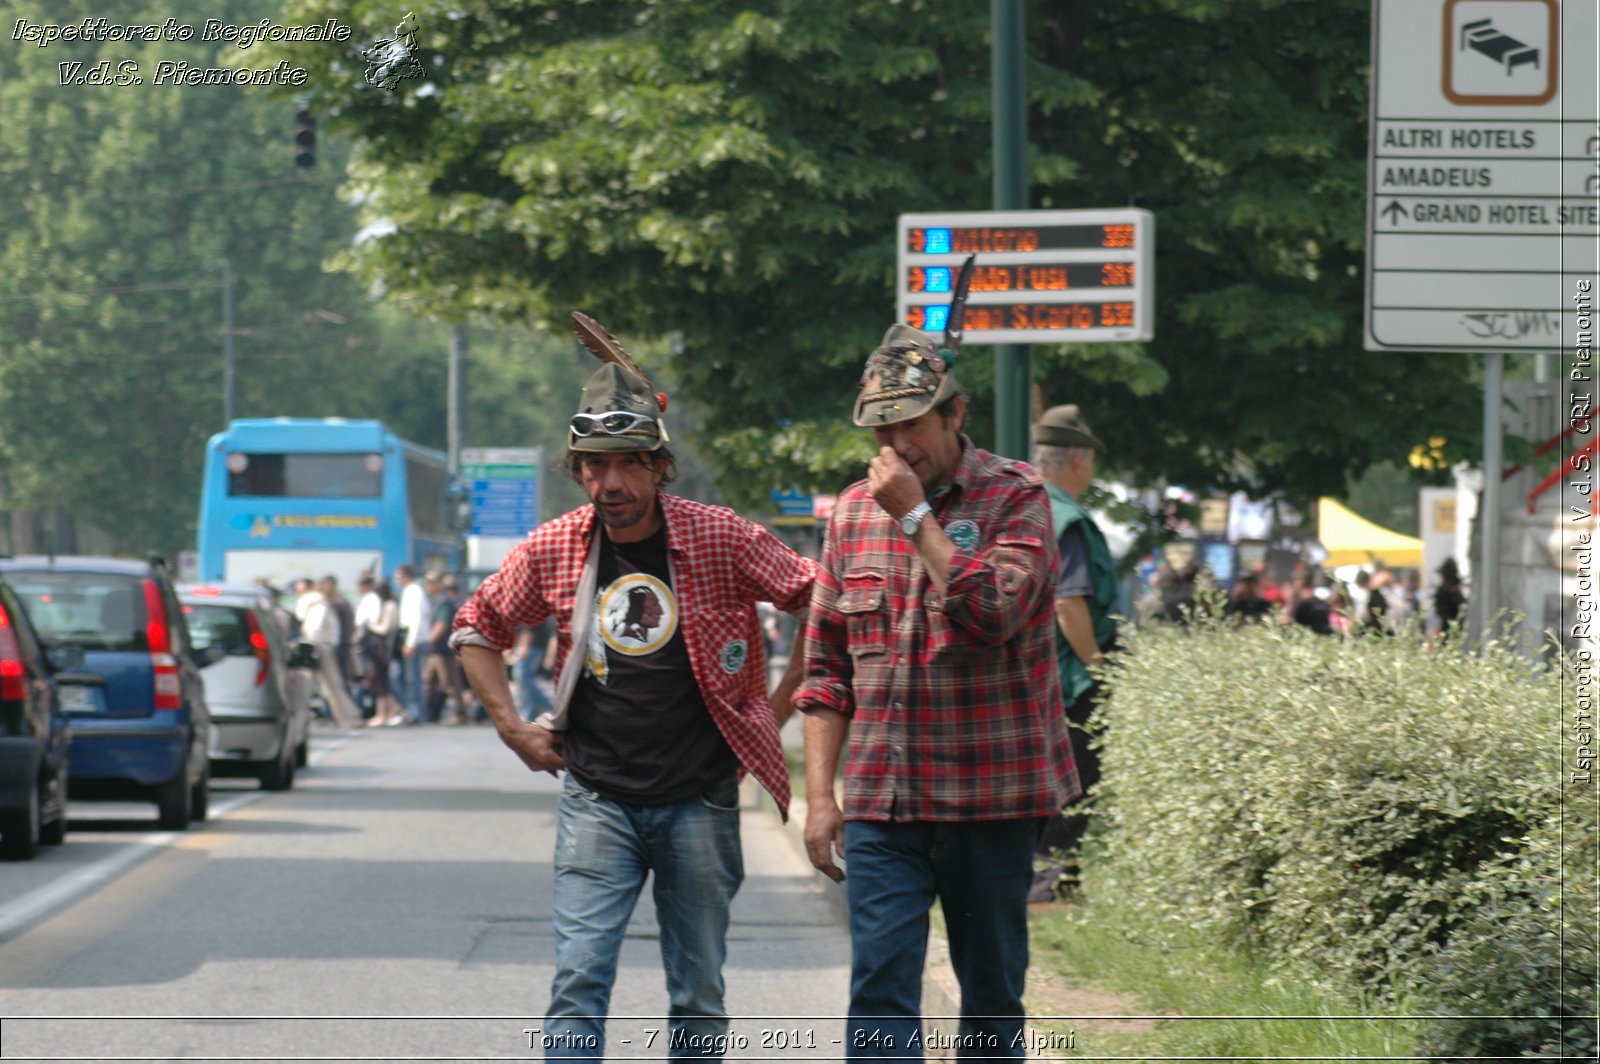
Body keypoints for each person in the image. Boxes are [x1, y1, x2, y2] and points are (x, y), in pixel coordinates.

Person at [450, 322, 818, 1060]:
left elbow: (816, 597)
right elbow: (475, 625)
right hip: (598, 797)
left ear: (657, 467)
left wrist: (768, 717)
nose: (608, 485)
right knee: (578, 981)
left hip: (699, 797)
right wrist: (511, 727)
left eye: (625, 466)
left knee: (698, 994)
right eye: (592, 467)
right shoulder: (558, 544)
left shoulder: (720, 536)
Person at [795, 319, 1078, 1060]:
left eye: (912, 424)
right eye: (882, 430)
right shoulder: (854, 511)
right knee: (880, 990)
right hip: (885, 802)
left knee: (989, 997)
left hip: (993, 798)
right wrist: (823, 799)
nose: (896, 447)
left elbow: (992, 610)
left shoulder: (1017, 498)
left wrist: (918, 517)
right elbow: (826, 668)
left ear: (957, 413)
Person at [1027, 405, 1118, 902]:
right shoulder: (1068, 518)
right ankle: (1049, 888)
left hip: (1034, 675)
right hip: (1071, 679)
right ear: (1079, 461)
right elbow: (1070, 603)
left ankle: (1039, 882)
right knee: (1074, 786)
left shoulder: (1023, 507)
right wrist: (1098, 668)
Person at [299, 575, 361, 728]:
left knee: (318, 685)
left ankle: (344, 716)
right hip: (322, 648)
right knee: (333, 684)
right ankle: (347, 717)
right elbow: (315, 629)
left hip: (319, 646)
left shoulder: (318, 604)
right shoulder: (321, 606)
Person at [357, 577, 404, 726]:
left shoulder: (390, 606)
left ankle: (384, 713)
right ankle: (389, 710)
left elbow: (385, 629)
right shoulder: (388, 605)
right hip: (382, 649)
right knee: (378, 680)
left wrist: (371, 624)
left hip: (384, 650)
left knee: (379, 681)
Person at [426, 575, 472, 724]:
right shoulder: (441, 602)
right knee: (430, 679)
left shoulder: (444, 603)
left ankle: (460, 712)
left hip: (442, 649)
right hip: (441, 648)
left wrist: (428, 641)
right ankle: (431, 712)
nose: (428, 586)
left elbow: (441, 625)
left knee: (449, 683)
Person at [395, 564, 433, 724]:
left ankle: (416, 712)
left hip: (415, 639)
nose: (396, 581)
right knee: (410, 677)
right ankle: (415, 711)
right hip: (414, 638)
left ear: (407, 577)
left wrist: (410, 643)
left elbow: (416, 619)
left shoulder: (413, 592)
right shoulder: (409, 592)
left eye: (399, 577)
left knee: (413, 678)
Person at [514, 616, 555, 722]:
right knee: (527, 679)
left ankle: (546, 704)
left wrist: (523, 647)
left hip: (532, 646)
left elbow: (529, 627)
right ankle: (530, 712)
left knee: (522, 676)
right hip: (534, 645)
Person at [1433, 557, 1466, 637]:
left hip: (1447, 631)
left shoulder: (1443, 591)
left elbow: (1439, 611)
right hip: (1458, 630)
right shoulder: (1456, 590)